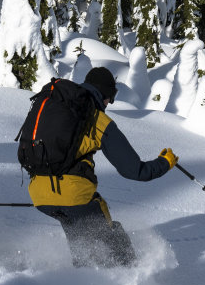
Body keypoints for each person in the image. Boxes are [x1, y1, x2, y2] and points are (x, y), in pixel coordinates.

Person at [27, 66, 176, 268]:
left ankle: (81, 280)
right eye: (110, 97)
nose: (109, 103)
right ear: (103, 93)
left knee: (79, 235)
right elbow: (133, 170)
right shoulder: (96, 119)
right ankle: (130, 274)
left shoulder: (56, 108)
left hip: (40, 196)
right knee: (110, 234)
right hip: (74, 195)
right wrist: (165, 163)